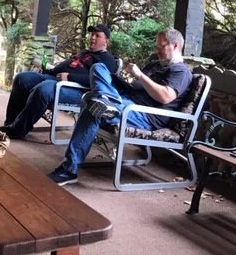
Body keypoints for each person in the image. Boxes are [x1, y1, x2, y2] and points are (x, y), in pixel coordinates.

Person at [48, 27, 193, 186]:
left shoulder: (180, 70)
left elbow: (165, 96)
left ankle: (69, 169)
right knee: (98, 68)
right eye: (156, 46)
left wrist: (139, 75)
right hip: (126, 100)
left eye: (161, 46)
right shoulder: (155, 65)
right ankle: (108, 100)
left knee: (93, 104)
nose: (157, 50)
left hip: (143, 115)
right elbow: (136, 87)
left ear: (175, 45)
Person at [0, 24, 117, 139]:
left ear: (106, 41)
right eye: (92, 34)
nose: (92, 37)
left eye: (97, 35)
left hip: (77, 90)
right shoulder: (85, 53)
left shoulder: (108, 60)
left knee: (44, 89)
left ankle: (18, 129)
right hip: (56, 79)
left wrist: (70, 77)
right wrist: (49, 71)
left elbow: (100, 81)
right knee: (22, 79)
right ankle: (11, 123)